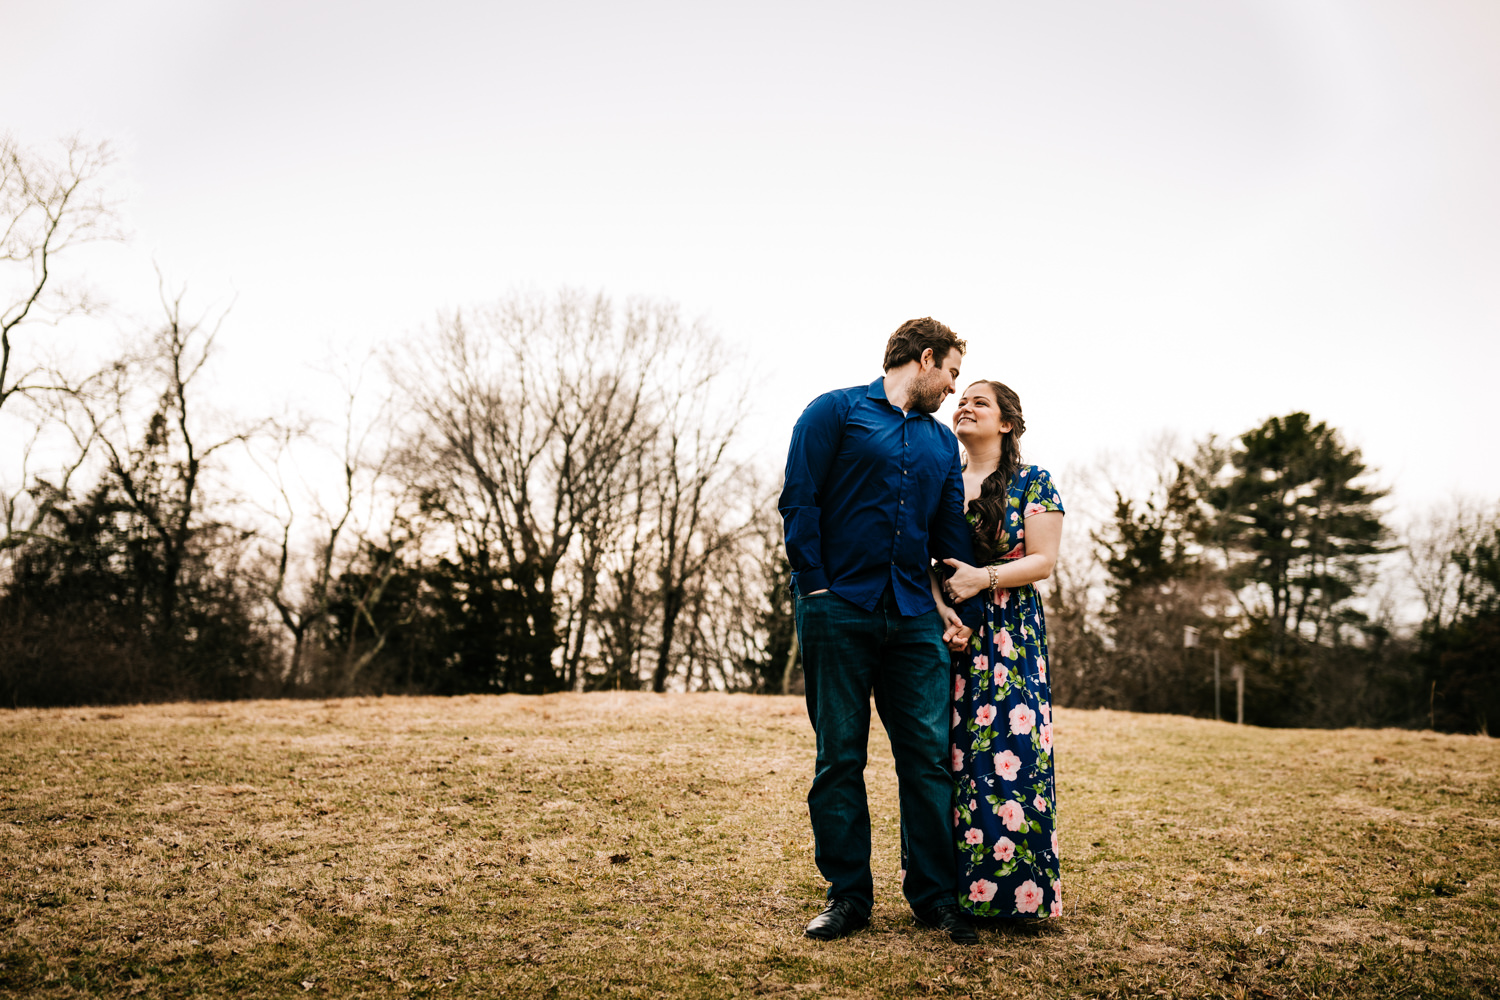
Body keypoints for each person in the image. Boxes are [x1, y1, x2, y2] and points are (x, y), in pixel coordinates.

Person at [778, 317, 980, 945]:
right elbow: (800, 499)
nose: (953, 388)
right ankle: (848, 897)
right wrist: (815, 585)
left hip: (915, 621)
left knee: (925, 758)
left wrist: (959, 603)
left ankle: (935, 898)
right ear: (924, 360)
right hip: (838, 609)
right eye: (950, 371)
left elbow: (948, 535)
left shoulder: (941, 446)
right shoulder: (833, 412)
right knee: (839, 756)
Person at [939, 380, 1065, 921]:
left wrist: (982, 579)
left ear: (1006, 423)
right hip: (947, 632)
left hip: (1010, 633)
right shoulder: (941, 482)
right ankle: (951, 894)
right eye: (960, 400)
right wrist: (946, 611)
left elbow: (1042, 561)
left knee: (1012, 756)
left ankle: (1017, 895)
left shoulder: (1032, 482)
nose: (964, 407)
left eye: (979, 402)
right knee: (949, 757)